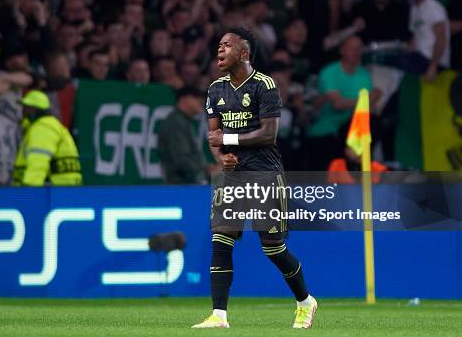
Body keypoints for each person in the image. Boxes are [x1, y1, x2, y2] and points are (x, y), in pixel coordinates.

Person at [192, 28, 317, 329]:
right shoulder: (215, 89)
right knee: (221, 238)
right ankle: (218, 315)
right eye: (219, 45)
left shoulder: (265, 85)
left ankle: (305, 301)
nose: (220, 49)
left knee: (272, 247)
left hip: (265, 174)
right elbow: (214, 138)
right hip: (231, 177)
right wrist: (221, 158)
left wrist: (229, 138)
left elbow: (269, 133)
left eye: (227, 45)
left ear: (244, 53)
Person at [307, 36, 380, 170]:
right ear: (342, 50)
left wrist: (368, 100)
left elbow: (369, 107)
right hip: (327, 129)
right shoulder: (329, 72)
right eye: (352, 48)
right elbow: (338, 104)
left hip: (351, 127)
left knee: (374, 122)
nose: (356, 52)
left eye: (359, 49)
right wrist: (366, 99)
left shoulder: (364, 75)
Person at [13, 90, 82, 186]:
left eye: (26, 107)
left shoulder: (42, 128)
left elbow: (38, 162)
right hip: (60, 191)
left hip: (49, 193)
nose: (23, 111)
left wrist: (29, 192)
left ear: (34, 109)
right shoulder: (51, 126)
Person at [157, 86, 213, 184]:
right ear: (183, 99)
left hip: (189, 183)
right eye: (195, 97)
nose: (201, 101)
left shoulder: (184, 121)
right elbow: (181, 160)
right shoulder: (176, 122)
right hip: (182, 186)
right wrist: (205, 170)